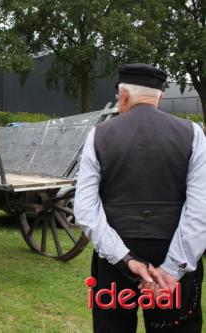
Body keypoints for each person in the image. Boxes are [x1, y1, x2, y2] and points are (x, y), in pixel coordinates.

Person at [74, 63, 206, 332]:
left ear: (123, 97)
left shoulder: (98, 135)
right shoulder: (193, 135)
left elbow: (86, 210)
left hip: (115, 266)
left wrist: (126, 260)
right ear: (160, 97)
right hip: (174, 260)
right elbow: (200, 209)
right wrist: (171, 270)